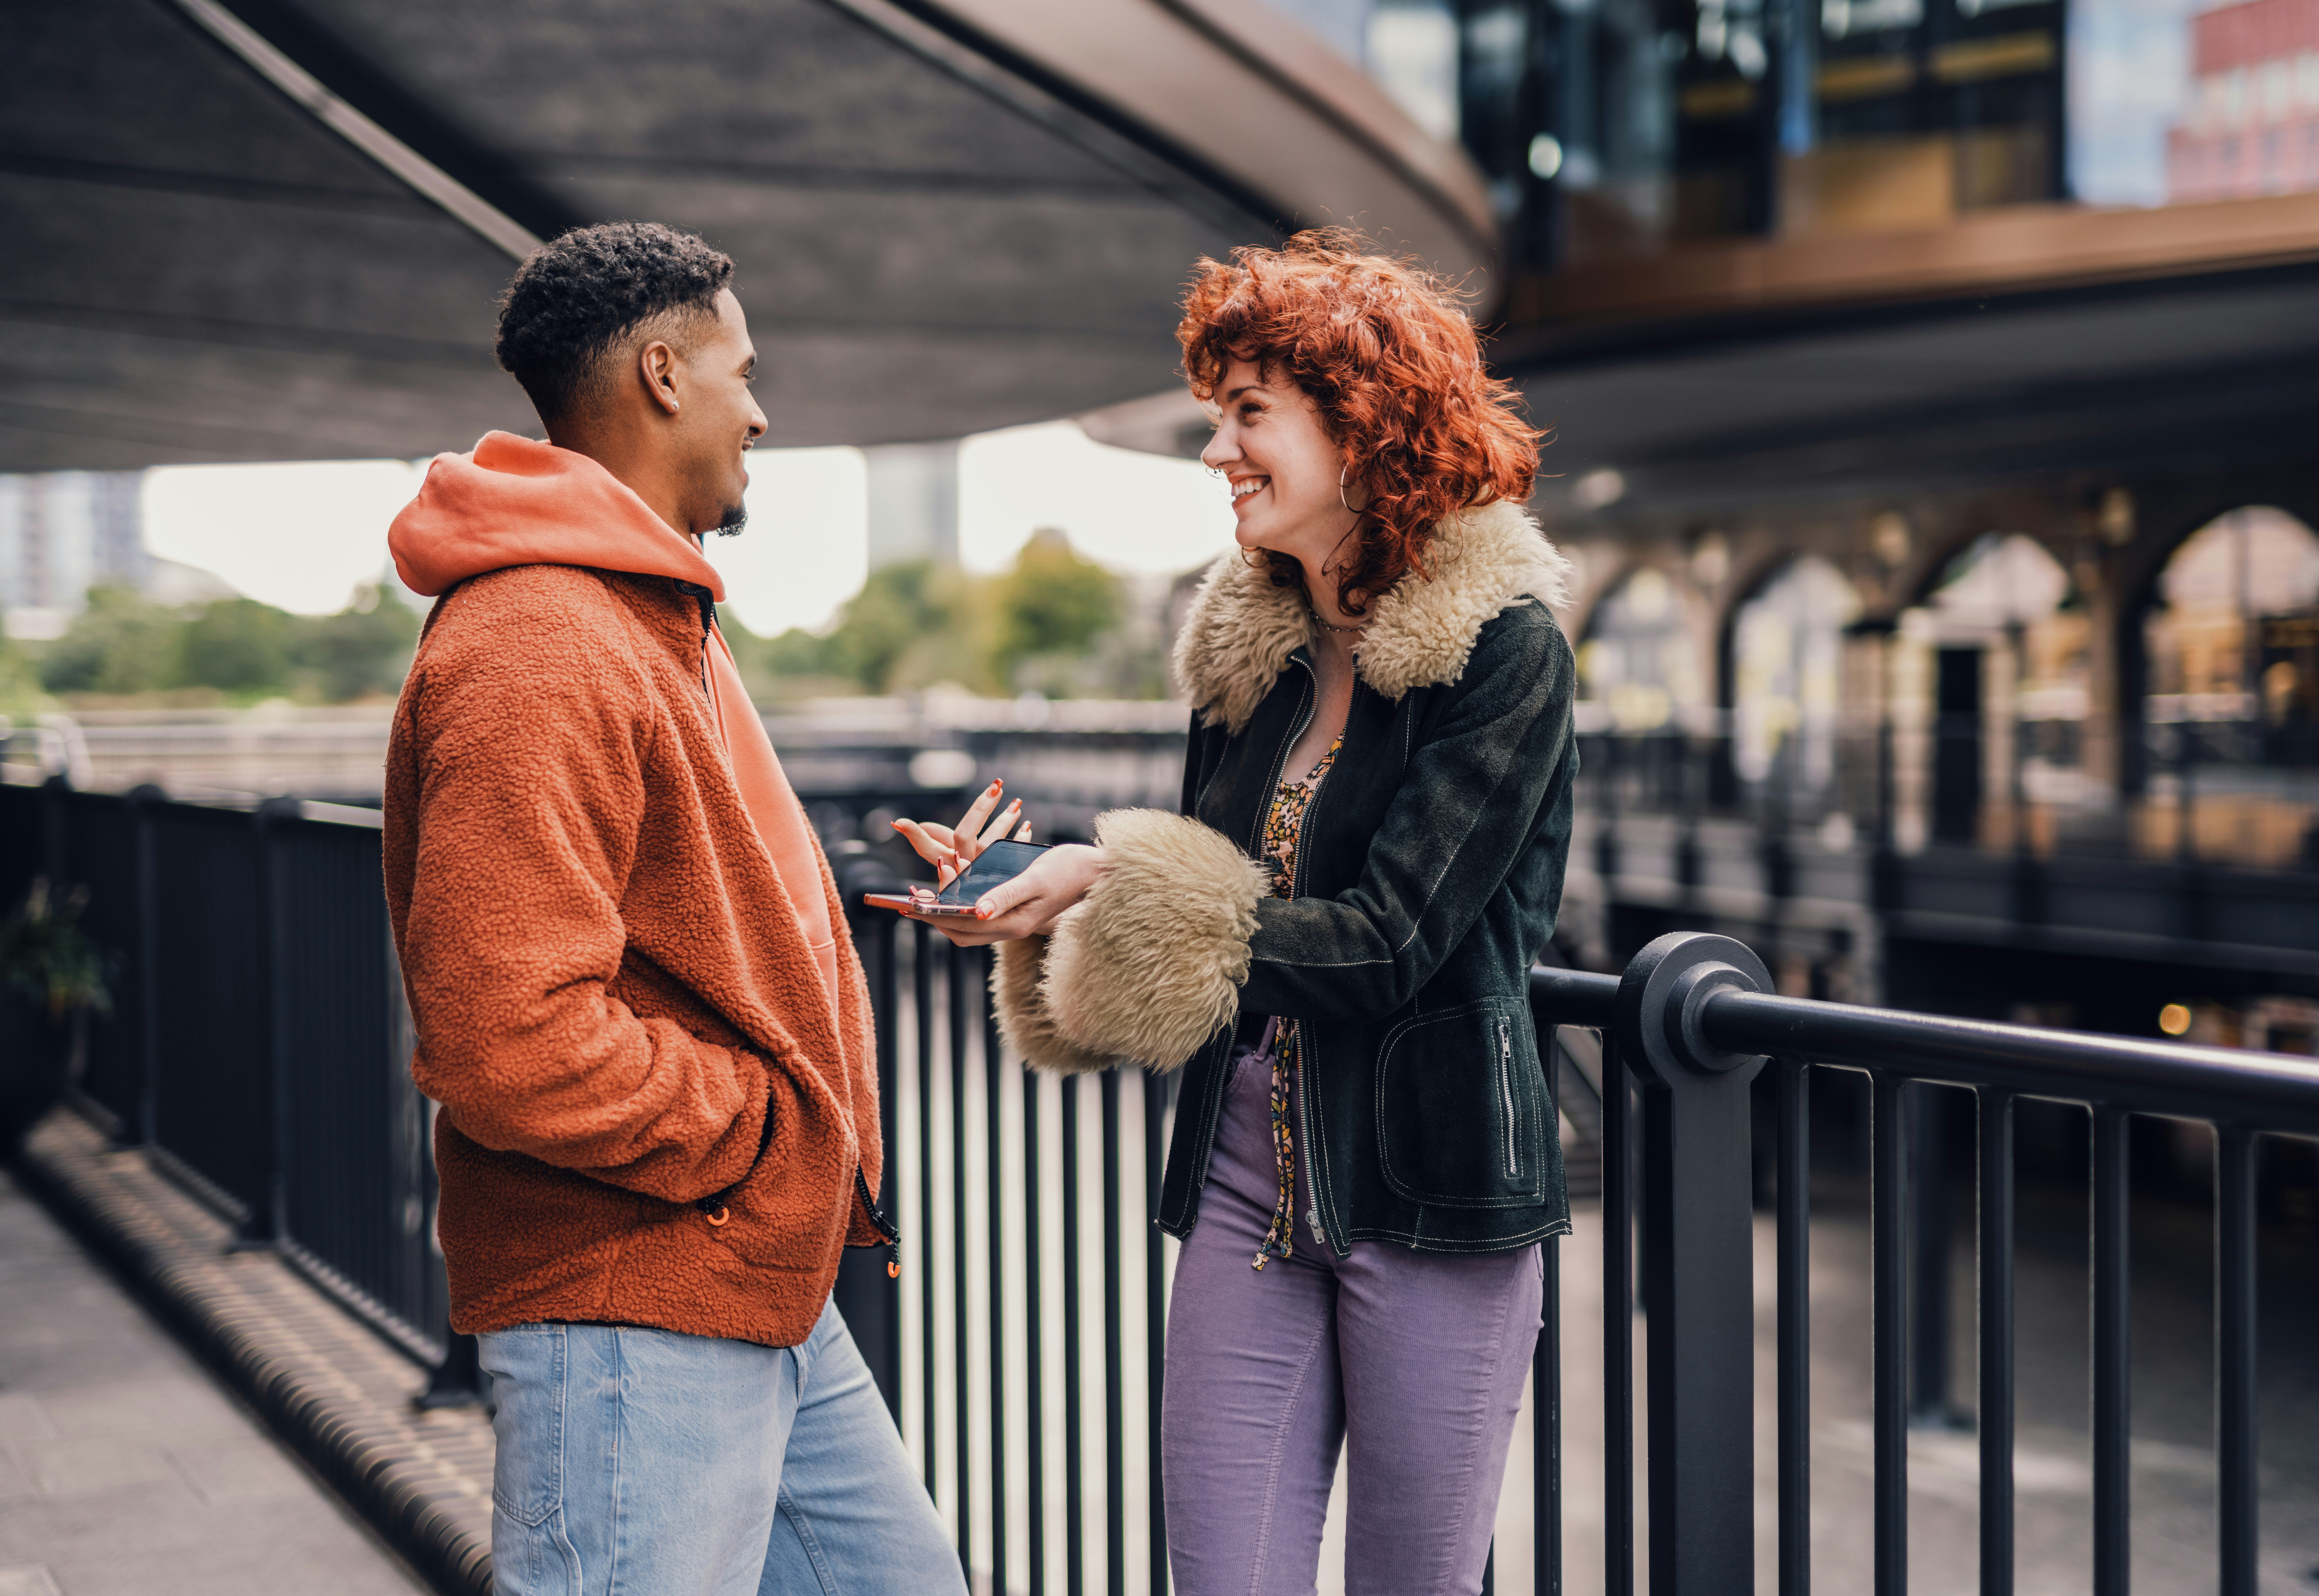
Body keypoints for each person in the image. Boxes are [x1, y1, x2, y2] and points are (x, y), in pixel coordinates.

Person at [892, 230, 1577, 1595]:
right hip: (1244, 1183)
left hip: (1428, 1190)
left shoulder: (1506, 651)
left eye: (1250, 412)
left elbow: (1387, 941)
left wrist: (1111, 868)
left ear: (1364, 424)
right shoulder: (1249, 651)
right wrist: (1034, 910)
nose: (1218, 450)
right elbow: (1206, 910)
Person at [381, 221, 964, 1596]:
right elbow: (502, 1034)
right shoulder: (538, 638)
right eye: (741, 372)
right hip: (635, 1285)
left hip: (742, 1272)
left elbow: (682, 908)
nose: (759, 412)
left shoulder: (641, 612)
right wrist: (756, 1128)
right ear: (660, 374)